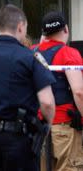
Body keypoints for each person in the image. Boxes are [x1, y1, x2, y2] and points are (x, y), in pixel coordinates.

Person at [0, 4, 56, 171]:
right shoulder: (30, 58)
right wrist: (45, 127)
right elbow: (47, 103)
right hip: (19, 138)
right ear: (21, 26)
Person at [32, 11, 83, 170]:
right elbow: (79, 91)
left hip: (37, 128)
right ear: (66, 29)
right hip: (64, 126)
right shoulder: (69, 53)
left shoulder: (31, 52)